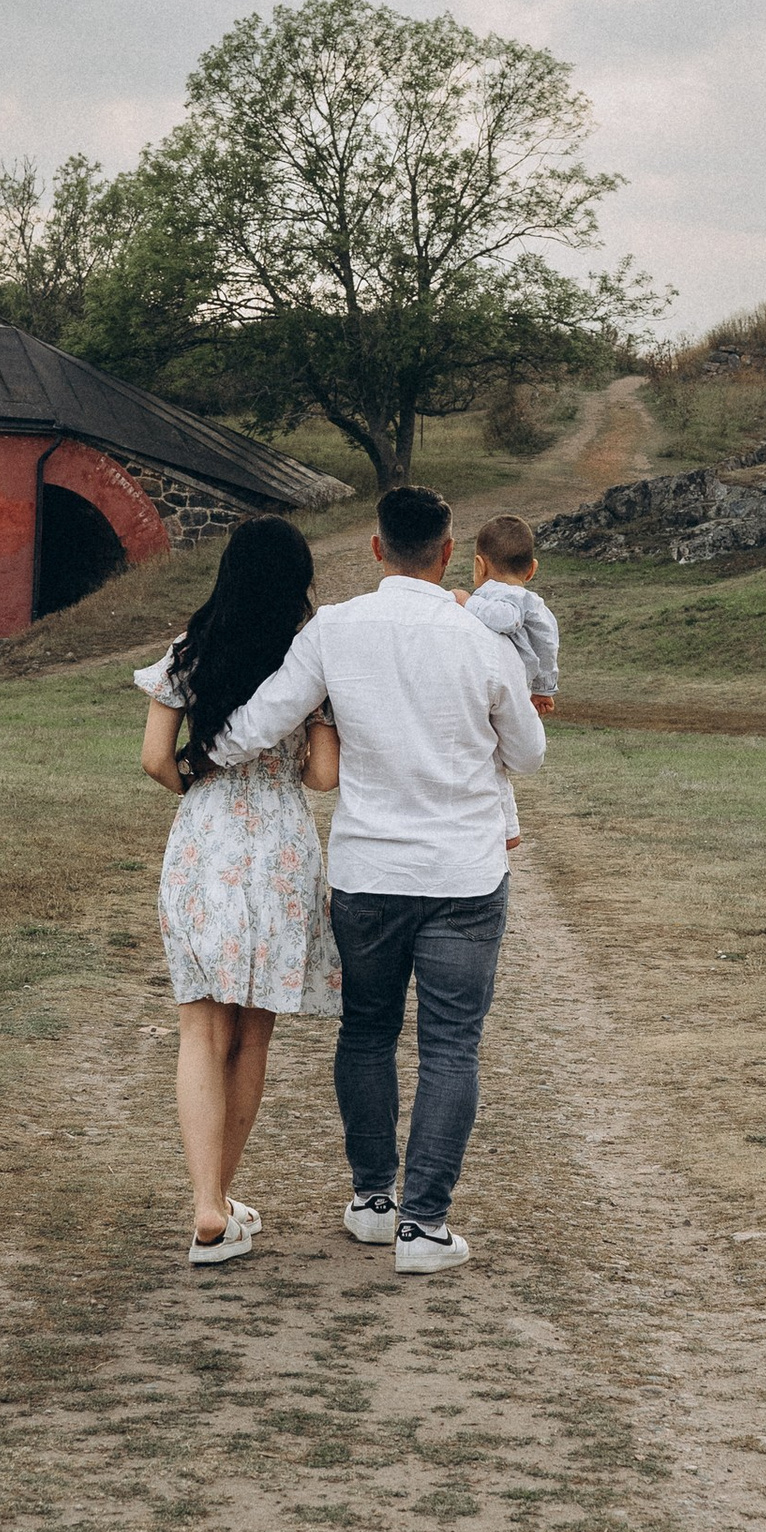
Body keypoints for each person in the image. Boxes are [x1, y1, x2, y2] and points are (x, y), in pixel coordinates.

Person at [205, 482, 544, 1275]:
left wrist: (199, 758)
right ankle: (424, 1227)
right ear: (449, 553)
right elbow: (527, 754)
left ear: (375, 547)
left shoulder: (333, 628)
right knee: (451, 1045)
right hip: (463, 871)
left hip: (369, 869)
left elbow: (263, 719)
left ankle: (371, 1202)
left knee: (367, 1031)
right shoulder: (480, 638)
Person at [134, 516, 341, 1271]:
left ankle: (206, 1206)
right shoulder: (306, 661)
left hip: (205, 842)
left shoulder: (190, 651)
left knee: (199, 1028)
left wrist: (201, 786)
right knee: (252, 1035)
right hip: (280, 850)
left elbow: (155, 758)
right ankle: (220, 1200)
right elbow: (324, 776)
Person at [462, 512, 558, 856]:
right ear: (531, 570)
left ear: (479, 566)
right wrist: (544, 688)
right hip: (518, 685)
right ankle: (509, 829)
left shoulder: (499, 596)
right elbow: (548, 646)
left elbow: (505, 620)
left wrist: (467, 602)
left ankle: (508, 829)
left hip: (501, 682)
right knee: (497, 759)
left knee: (490, 756)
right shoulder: (535, 602)